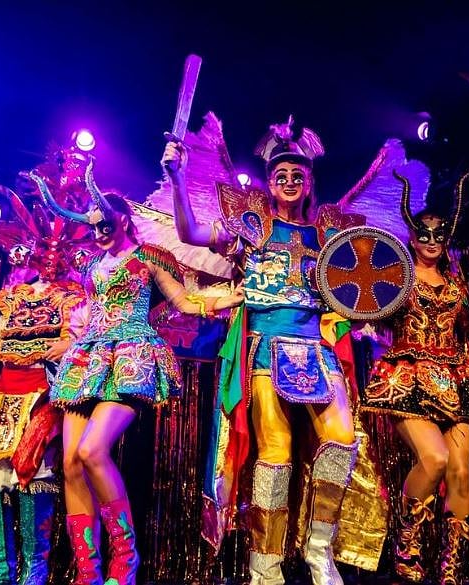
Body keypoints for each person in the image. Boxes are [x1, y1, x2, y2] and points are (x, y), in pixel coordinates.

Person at [163, 117, 364, 585]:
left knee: (342, 441)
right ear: (270, 184)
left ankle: (318, 548)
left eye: (298, 175)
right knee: (275, 453)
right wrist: (176, 178)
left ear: (310, 180)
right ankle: (266, 565)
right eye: (280, 176)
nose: (290, 182)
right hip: (266, 347)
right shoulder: (250, 228)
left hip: (317, 347)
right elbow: (191, 233)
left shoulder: (331, 236)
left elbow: (369, 282)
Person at [28, 164, 243, 585]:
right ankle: (87, 573)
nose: (99, 232)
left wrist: (224, 298)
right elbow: (88, 316)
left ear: (122, 218)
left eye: (105, 223)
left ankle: (125, 563)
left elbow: (182, 300)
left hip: (131, 357)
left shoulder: (148, 256)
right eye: (93, 228)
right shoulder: (91, 267)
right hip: (87, 360)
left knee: (93, 452)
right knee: (70, 465)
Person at [0, 187, 88, 585]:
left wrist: (59, 347)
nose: (50, 256)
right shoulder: (16, 295)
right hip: (2, 398)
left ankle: (35, 574)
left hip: (41, 396)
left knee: (32, 476)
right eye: (43, 248)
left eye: (58, 249)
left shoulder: (76, 296)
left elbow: (80, 341)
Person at [361, 183, 469, 585]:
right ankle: (407, 544)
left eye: (440, 235)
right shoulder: (396, 277)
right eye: (424, 233)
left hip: (454, 377)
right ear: (412, 236)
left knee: (459, 471)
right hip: (407, 376)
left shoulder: (458, 283)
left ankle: (451, 569)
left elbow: (468, 328)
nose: (432, 241)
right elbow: (366, 306)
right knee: (434, 459)